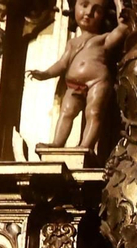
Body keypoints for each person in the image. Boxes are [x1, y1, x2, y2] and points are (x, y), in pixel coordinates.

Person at [30, 0, 127, 150]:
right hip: (73, 85)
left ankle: (85, 146)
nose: (89, 12)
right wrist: (45, 74)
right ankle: (57, 143)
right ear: (74, 8)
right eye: (84, 5)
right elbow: (62, 64)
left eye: (97, 10)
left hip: (98, 82)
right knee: (66, 112)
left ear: (104, 16)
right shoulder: (72, 43)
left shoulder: (103, 39)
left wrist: (118, 3)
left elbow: (123, 27)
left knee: (94, 113)